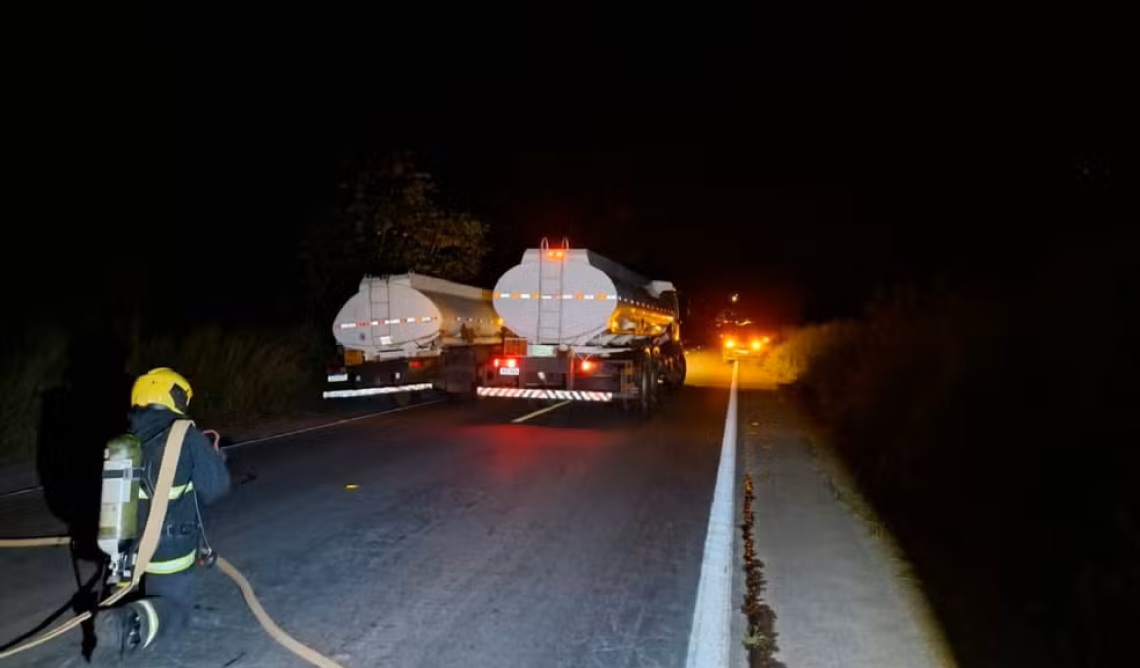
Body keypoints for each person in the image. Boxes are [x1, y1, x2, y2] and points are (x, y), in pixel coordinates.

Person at [91, 367, 230, 662]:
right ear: (175, 397)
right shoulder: (186, 436)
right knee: (175, 611)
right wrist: (215, 460)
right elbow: (216, 489)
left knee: (134, 593)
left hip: (123, 547)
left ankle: (123, 608)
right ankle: (126, 624)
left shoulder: (125, 441)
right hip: (169, 549)